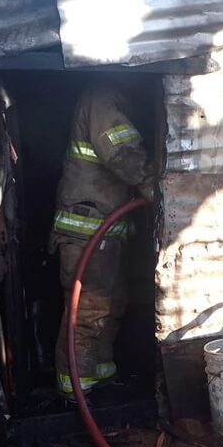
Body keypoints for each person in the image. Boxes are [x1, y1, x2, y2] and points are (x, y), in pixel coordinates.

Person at [50, 84, 153, 397]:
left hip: (103, 234)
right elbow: (121, 153)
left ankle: (100, 377)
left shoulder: (115, 100)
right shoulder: (102, 99)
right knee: (89, 311)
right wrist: (153, 183)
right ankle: (75, 391)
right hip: (86, 232)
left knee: (112, 304)